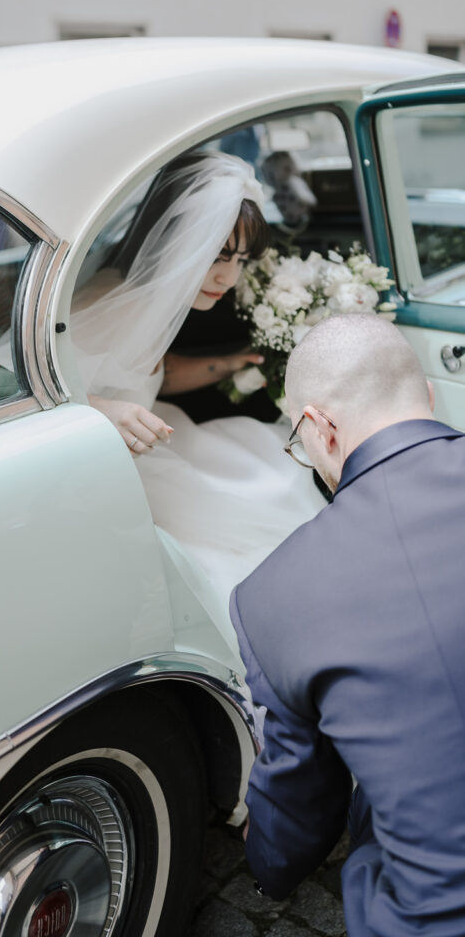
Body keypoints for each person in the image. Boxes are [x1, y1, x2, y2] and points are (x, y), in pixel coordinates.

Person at [229, 313, 465, 936]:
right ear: (428, 396)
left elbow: (302, 796)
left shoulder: (271, 594)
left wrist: (270, 870)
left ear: (320, 427)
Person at [71, 150, 326, 650]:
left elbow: (152, 374)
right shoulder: (114, 304)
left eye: (240, 261)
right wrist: (101, 410)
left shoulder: (148, 297)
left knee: (266, 455)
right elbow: (8, 385)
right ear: (176, 240)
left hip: (159, 437)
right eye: (217, 256)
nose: (229, 279)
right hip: (116, 468)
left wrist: (229, 364)